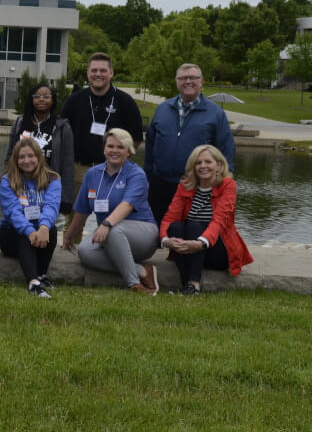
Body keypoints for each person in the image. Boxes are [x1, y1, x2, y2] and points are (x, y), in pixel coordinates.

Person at [63, 128, 159, 295]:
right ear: (104, 149)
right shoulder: (92, 174)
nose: (114, 151)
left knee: (114, 231)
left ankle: (134, 284)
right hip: (110, 235)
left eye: (120, 147)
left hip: (142, 234)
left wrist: (107, 224)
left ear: (129, 152)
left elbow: (127, 205)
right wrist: (68, 236)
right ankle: (141, 271)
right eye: (110, 146)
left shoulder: (137, 174)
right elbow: (81, 211)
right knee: (85, 251)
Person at [145, 63, 235, 225]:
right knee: (157, 230)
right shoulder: (163, 109)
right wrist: (148, 174)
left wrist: (222, 181)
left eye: (193, 78)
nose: (188, 81)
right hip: (160, 183)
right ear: (176, 82)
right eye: (183, 78)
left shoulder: (215, 113)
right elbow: (150, 143)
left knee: (189, 231)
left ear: (201, 81)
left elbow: (226, 149)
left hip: (196, 185)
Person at [160, 145, 253, 294]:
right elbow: (169, 218)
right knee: (175, 227)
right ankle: (188, 287)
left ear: (219, 165)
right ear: (193, 166)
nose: (203, 166)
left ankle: (193, 283)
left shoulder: (228, 185)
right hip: (190, 248)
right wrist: (166, 240)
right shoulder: (185, 186)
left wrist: (201, 243)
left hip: (217, 250)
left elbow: (220, 220)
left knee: (195, 226)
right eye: (198, 162)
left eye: (208, 162)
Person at [0, 138, 61, 298]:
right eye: (21, 157)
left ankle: (41, 276)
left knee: (52, 230)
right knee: (24, 236)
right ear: (16, 160)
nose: (26, 161)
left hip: (39, 232)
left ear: (39, 157)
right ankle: (33, 283)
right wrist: (30, 231)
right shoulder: (7, 180)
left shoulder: (53, 179)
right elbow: (12, 212)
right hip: (11, 234)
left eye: (31, 156)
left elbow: (51, 207)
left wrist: (44, 227)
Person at [60, 52, 143, 173]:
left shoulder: (125, 101)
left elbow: (136, 138)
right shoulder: (74, 100)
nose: (98, 74)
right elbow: (62, 135)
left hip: (113, 170)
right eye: (94, 70)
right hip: (79, 169)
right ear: (88, 73)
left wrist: (118, 159)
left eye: (103, 70)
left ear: (111, 73)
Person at [6, 84, 75, 215]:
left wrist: (66, 198)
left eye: (46, 96)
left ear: (53, 100)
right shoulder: (20, 123)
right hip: (21, 182)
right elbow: (10, 154)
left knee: (46, 222)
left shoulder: (62, 126)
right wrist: (6, 180)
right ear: (31, 100)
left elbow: (67, 163)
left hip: (48, 184)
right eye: (37, 96)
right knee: (18, 218)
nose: (41, 99)